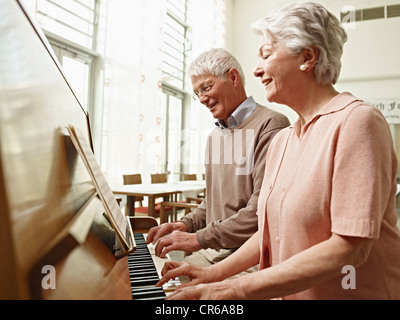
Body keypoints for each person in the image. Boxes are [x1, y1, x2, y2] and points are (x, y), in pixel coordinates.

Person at [156, 2, 400, 300]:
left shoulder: (358, 122)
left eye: (266, 54)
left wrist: (234, 288)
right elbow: (268, 232)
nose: (257, 70)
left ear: (308, 57)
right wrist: (212, 275)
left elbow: (350, 247)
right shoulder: (284, 139)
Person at [146, 48, 290, 268]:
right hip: (211, 252)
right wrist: (186, 224)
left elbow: (260, 211)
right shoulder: (214, 136)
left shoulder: (271, 124)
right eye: (197, 93)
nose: (202, 99)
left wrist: (198, 238)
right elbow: (213, 202)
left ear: (233, 77)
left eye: (206, 87)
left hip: (249, 258)